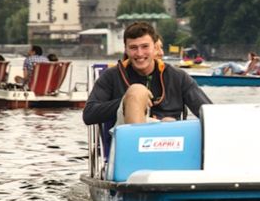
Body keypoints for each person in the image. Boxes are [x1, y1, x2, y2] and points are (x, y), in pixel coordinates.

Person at [83, 21, 212, 126]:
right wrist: (126, 102)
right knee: (137, 91)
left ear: (155, 47)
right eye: (133, 48)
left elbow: (210, 114)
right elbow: (89, 115)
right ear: (126, 50)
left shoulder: (177, 77)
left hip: (169, 140)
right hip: (128, 144)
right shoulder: (111, 76)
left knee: (169, 122)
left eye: (145, 47)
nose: (139, 53)